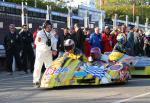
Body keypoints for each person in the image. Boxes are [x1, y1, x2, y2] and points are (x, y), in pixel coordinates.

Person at [33, 20, 57, 87]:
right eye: (47, 26)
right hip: (40, 52)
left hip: (48, 52)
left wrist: (54, 50)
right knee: (38, 66)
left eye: (50, 26)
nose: (49, 28)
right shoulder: (40, 33)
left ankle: (49, 79)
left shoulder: (52, 34)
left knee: (49, 66)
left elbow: (54, 42)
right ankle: (36, 80)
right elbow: (36, 42)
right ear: (45, 27)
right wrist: (38, 40)